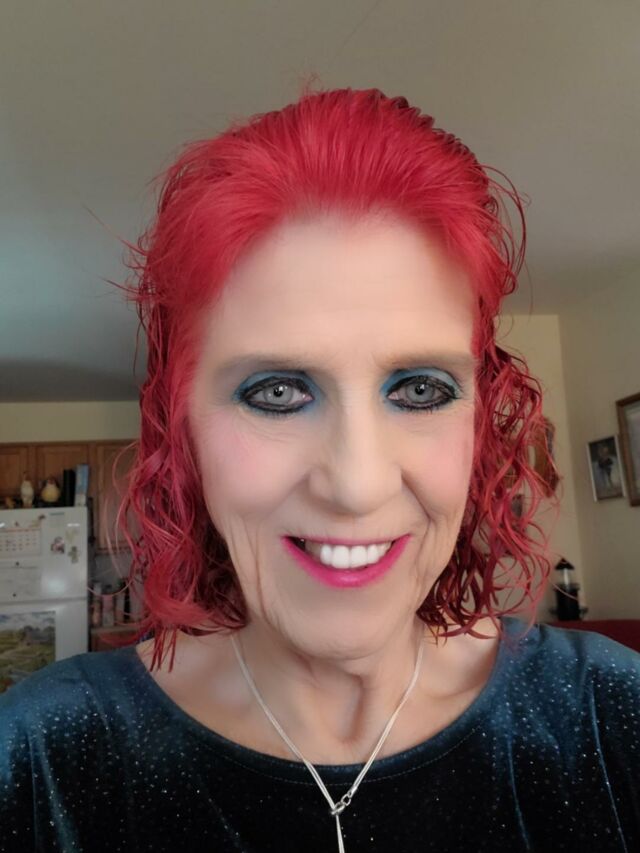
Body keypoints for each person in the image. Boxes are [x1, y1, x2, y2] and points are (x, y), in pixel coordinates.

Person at [1, 85, 638, 853]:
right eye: (276, 392)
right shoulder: (44, 759)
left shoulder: (609, 716)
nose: (358, 483)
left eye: (420, 389)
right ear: (183, 427)